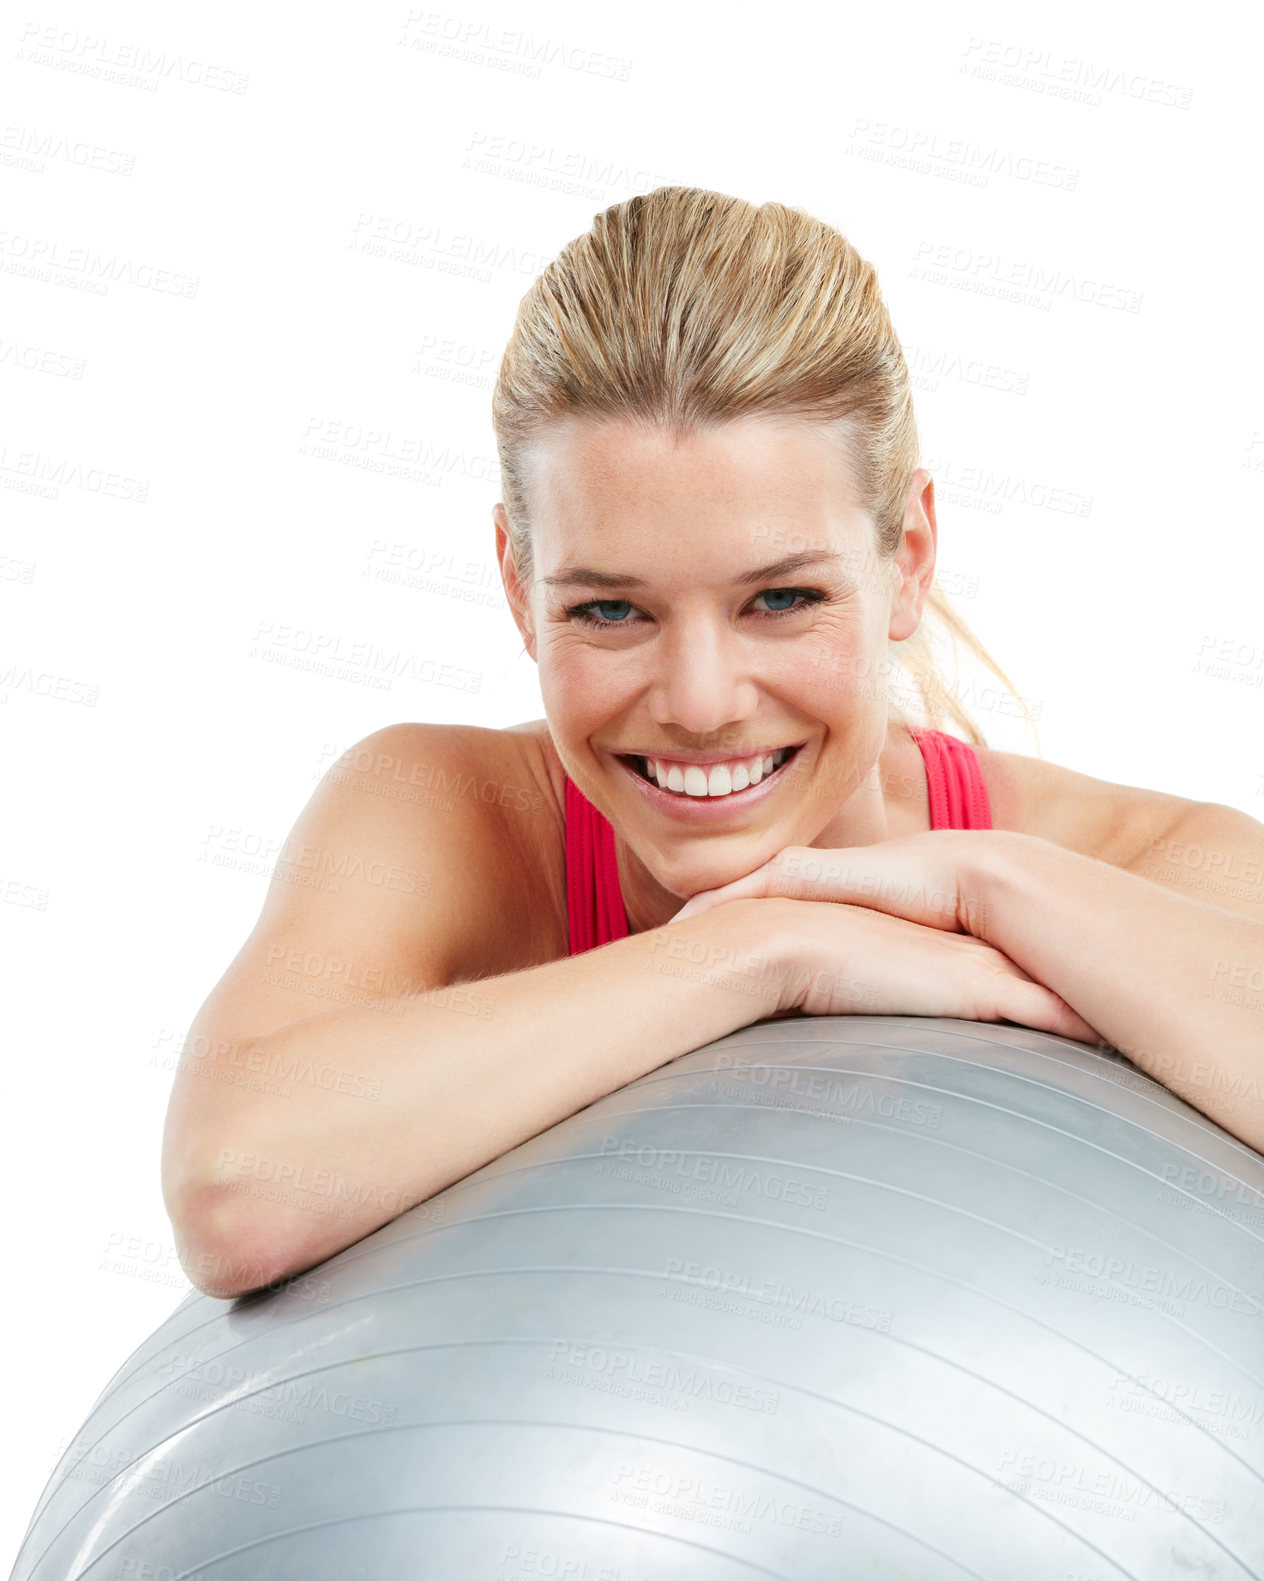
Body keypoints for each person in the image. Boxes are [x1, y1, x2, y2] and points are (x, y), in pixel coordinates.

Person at [162, 186, 1264, 1300]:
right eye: (608, 611)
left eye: (780, 599)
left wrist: (984, 882)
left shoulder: (1144, 861)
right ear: (515, 582)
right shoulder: (446, 814)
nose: (697, 702)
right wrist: (758, 953)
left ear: (910, 557)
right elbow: (235, 1191)